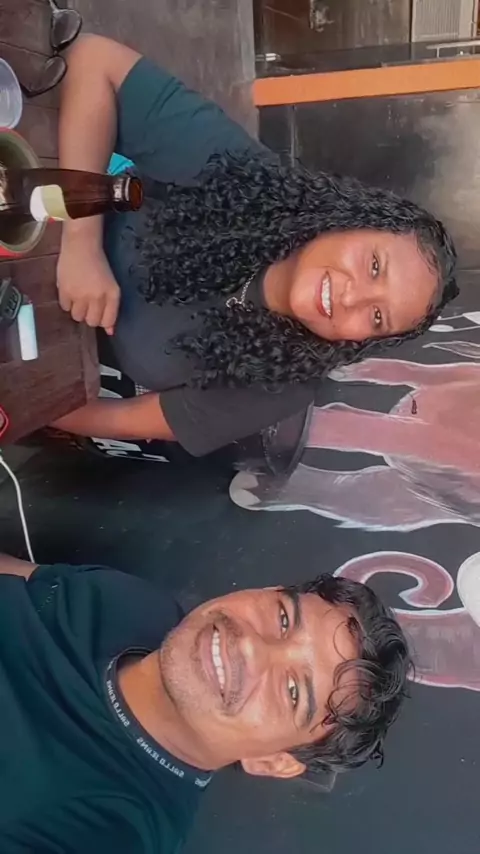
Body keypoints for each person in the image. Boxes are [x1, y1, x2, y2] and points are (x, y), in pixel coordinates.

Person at [52, 35, 458, 459]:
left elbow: (113, 419)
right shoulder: (248, 179)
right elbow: (94, 59)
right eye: (374, 266)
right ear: (354, 221)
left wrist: (28, 397)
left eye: (377, 317)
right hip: (36, 229)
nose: (352, 297)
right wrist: (82, 244)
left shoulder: (279, 385)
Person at [0, 551, 411, 853]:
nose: (252, 646)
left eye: (292, 691)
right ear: (268, 591)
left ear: (273, 761)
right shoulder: (137, 603)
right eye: (283, 619)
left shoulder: (107, 832)